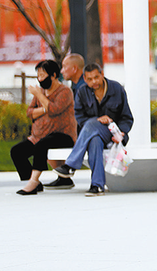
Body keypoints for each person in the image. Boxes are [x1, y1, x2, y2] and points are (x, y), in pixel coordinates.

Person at [53, 63, 134, 197]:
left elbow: (127, 117)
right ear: (85, 79)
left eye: (96, 77)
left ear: (102, 74)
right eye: (89, 79)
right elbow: (80, 117)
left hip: (114, 134)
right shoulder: (82, 92)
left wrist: (121, 132)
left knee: (91, 124)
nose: (94, 82)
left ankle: (71, 165)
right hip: (93, 134)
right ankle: (97, 186)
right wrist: (97, 121)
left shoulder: (116, 89)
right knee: (95, 140)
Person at [10, 60, 78, 195]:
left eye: (42, 75)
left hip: (62, 135)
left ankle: (33, 181)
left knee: (42, 145)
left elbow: (54, 109)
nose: (40, 79)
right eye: (38, 76)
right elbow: (30, 112)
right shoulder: (41, 92)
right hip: (39, 135)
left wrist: (40, 97)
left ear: (53, 75)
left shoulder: (65, 92)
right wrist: (44, 108)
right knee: (17, 152)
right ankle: (33, 182)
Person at [43, 53, 86, 190]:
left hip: (82, 133)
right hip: (76, 130)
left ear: (74, 69)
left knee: (45, 142)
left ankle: (66, 172)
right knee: (46, 137)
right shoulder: (76, 87)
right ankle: (64, 176)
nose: (61, 71)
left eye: (64, 67)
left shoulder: (83, 88)